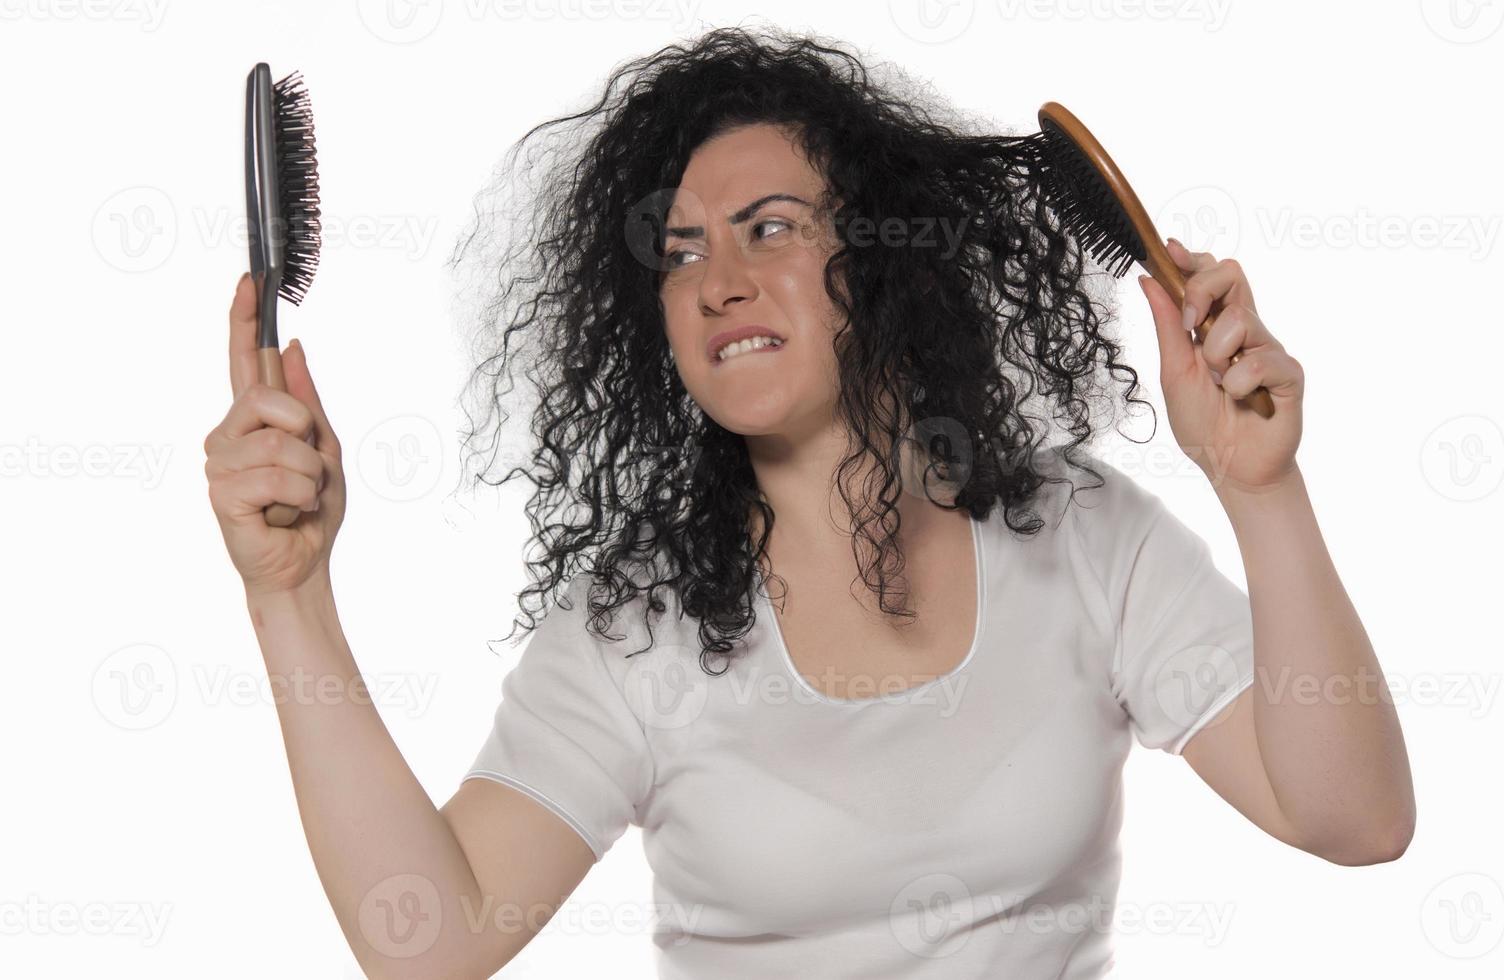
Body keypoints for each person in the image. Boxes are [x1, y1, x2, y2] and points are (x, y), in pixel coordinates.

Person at [203, 24, 1415, 980]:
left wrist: (1262, 492)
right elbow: (430, 940)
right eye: (679, 254)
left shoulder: (1084, 537)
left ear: (881, 263)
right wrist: (291, 596)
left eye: (766, 230)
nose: (717, 282)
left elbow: (1356, 819)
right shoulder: (639, 624)